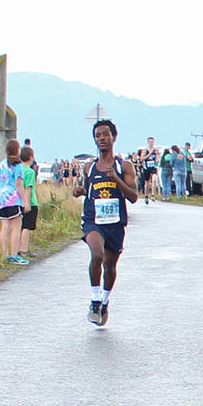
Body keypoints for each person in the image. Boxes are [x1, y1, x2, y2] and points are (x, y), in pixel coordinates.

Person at [76, 118, 139, 326]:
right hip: (93, 221)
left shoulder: (124, 166)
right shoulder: (89, 167)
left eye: (105, 135)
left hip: (115, 223)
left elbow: (133, 197)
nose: (101, 139)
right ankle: (94, 300)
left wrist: (117, 180)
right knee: (97, 254)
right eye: (97, 136)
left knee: (110, 267)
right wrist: (81, 191)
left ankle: (104, 301)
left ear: (114, 137)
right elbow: (89, 190)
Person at [0, 139, 28, 265]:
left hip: (2, 199)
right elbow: (18, 184)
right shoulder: (18, 165)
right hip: (14, 199)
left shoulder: (1, 164)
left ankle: (5, 254)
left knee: (5, 227)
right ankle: (14, 254)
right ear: (17, 150)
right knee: (16, 228)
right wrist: (24, 200)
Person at [19, 146, 41, 255]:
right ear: (31, 157)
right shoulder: (30, 172)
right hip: (30, 202)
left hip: (18, 201)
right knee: (27, 227)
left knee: (19, 226)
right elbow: (28, 188)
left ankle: (17, 248)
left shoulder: (18, 170)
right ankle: (24, 249)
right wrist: (27, 203)